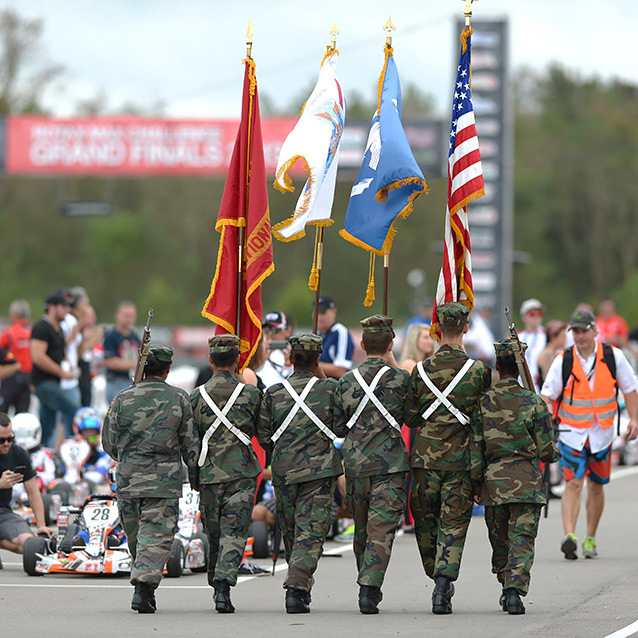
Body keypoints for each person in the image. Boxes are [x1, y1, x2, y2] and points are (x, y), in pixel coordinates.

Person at [405, 302, 491, 614]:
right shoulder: (479, 371)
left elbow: (411, 418)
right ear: (466, 328)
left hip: (425, 461)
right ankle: (443, 582)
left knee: (426, 522)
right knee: (454, 524)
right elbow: (484, 419)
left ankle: (436, 573)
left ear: (437, 330)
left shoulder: (421, 370)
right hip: (461, 461)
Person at [102, 345, 200, 614]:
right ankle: (144, 588)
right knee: (154, 536)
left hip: (129, 479)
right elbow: (190, 442)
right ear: (167, 369)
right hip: (163, 480)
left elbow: (108, 443)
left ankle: (143, 586)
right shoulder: (179, 398)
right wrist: (195, 473)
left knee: (137, 538)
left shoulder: (122, 398)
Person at [540, 309, 638, 560]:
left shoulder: (612, 356)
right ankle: (569, 535)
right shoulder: (564, 360)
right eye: (576, 331)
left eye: (584, 330)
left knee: (596, 486)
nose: (580, 335)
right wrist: (548, 414)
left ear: (595, 330)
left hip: (603, 434)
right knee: (573, 483)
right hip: (571, 433)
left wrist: (635, 419)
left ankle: (590, 537)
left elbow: (629, 388)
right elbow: (547, 394)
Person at [472, 340, 560, 615]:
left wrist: (476, 482)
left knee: (500, 540)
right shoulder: (534, 402)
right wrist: (553, 451)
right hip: (527, 480)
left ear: (497, 366)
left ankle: (504, 582)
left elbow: (476, 448)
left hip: (494, 482)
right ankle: (514, 591)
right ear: (521, 368)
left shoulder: (482, 401)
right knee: (522, 539)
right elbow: (546, 451)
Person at [257, 334, 342, 614]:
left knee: (292, 531)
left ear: (290, 359)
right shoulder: (330, 390)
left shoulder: (274, 393)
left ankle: (299, 585)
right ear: (318, 359)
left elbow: (264, 436)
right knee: (311, 533)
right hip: (319, 472)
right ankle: (296, 588)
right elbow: (341, 428)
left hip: (284, 471)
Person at [333, 315, 409, 614]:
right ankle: (369, 586)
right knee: (382, 529)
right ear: (390, 344)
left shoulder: (347, 381)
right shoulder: (401, 378)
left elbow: (339, 426)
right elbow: (412, 417)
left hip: (355, 465)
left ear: (362, 345)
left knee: (362, 527)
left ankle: (366, 580)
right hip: (390, 464)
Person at [190, 335, 263, 613]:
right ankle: (223, 587)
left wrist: (194, 476)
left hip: (209, 474)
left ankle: (217, 581)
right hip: (242, 472)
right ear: (237, 361)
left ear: (210, 360)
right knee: (234, 532)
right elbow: (264, 432)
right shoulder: (251, 394)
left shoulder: (196, 396)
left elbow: (191, 441)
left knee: (215, 532)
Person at [0, 413, 53, 568]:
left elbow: (33, 492)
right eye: (1, 440)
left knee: (30, 545)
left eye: (10, 438)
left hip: (3, 512)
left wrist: (41, 524)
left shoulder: (18, 453)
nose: (6, 444)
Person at [30, 292, 79, 447]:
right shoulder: (41, 328)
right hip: (43, 382)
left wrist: (71, 367)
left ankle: (43, 450)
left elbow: (61, 352)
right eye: (63, 306)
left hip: (54, 382)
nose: (67, 310)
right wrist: (61, 372)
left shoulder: (58, 329)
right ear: (52, 307)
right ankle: (72, 447)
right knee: (72, 407)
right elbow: (38, 356)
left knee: (48, 420)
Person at [103, 301, 141, 404]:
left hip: (131, 381)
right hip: (116, 381)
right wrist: (135, 364)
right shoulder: (111, 336)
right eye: (125, 315)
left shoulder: (135, 337)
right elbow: (111, 362)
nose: (128, 319)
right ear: (117, 316)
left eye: (131, 316)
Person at [0, 299, 33, 414]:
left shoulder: (9, 333)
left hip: (11, 375)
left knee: (2, 412)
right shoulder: (32, 332)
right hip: (28, 377)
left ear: (13, 315)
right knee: (22, 414)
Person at [314, 295, 354, 379]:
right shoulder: (317, 335)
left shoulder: (340, 332)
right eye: (316, 313)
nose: (319, 317)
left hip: (336, 389)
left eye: (323, 313)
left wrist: (309, 365)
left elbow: (341, 370)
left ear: (334, 312)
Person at [258, 311, 294, 388]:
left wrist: (289, 365)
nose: (270, 333)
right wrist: (260, 361)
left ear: (288, 331)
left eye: (275, 329)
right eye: (267, 330)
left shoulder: (295, 353)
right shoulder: (257, 353)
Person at [518, 298, 547, 391]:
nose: (536, 317)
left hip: (539, 388)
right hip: (519, 388)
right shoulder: (518, 337)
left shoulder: (546, 336)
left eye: (539, 314)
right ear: (523, 317)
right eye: (532, 314)